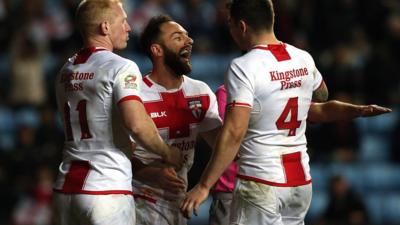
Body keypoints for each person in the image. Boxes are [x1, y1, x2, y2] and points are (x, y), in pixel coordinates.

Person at [180, 0, 390, 224]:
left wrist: (203, 186)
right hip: (299, 184)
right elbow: (321, 96)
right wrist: (286, 88)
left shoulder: (244, 66)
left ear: (242, 26)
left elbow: (234, 133)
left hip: (261, 182)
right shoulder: (303, 58)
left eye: (230, 24)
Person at [52, 1, 183, 225]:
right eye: (123, 21)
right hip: (106, 190)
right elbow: (137, 124)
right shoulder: (121, 66)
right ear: (105, 27)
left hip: (65, 191)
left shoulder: (65, 70)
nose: (129, 27)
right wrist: (167, 153)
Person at [208, 85, 391, 225]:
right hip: (234, 188)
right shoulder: (230, 91)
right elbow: (229, 138)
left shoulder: (284, 91)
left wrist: (357, 110)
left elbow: (321, 105)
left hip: (273, 185)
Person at [130, 15, 222, 225]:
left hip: (177, 203)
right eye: (178, 37)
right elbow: (117, 152)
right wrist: (149, 173)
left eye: (188, 36)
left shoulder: (200, 91)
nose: (189, 41)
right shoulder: (135, 94)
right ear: (157, 50)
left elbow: (222, 145)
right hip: (136, 200)